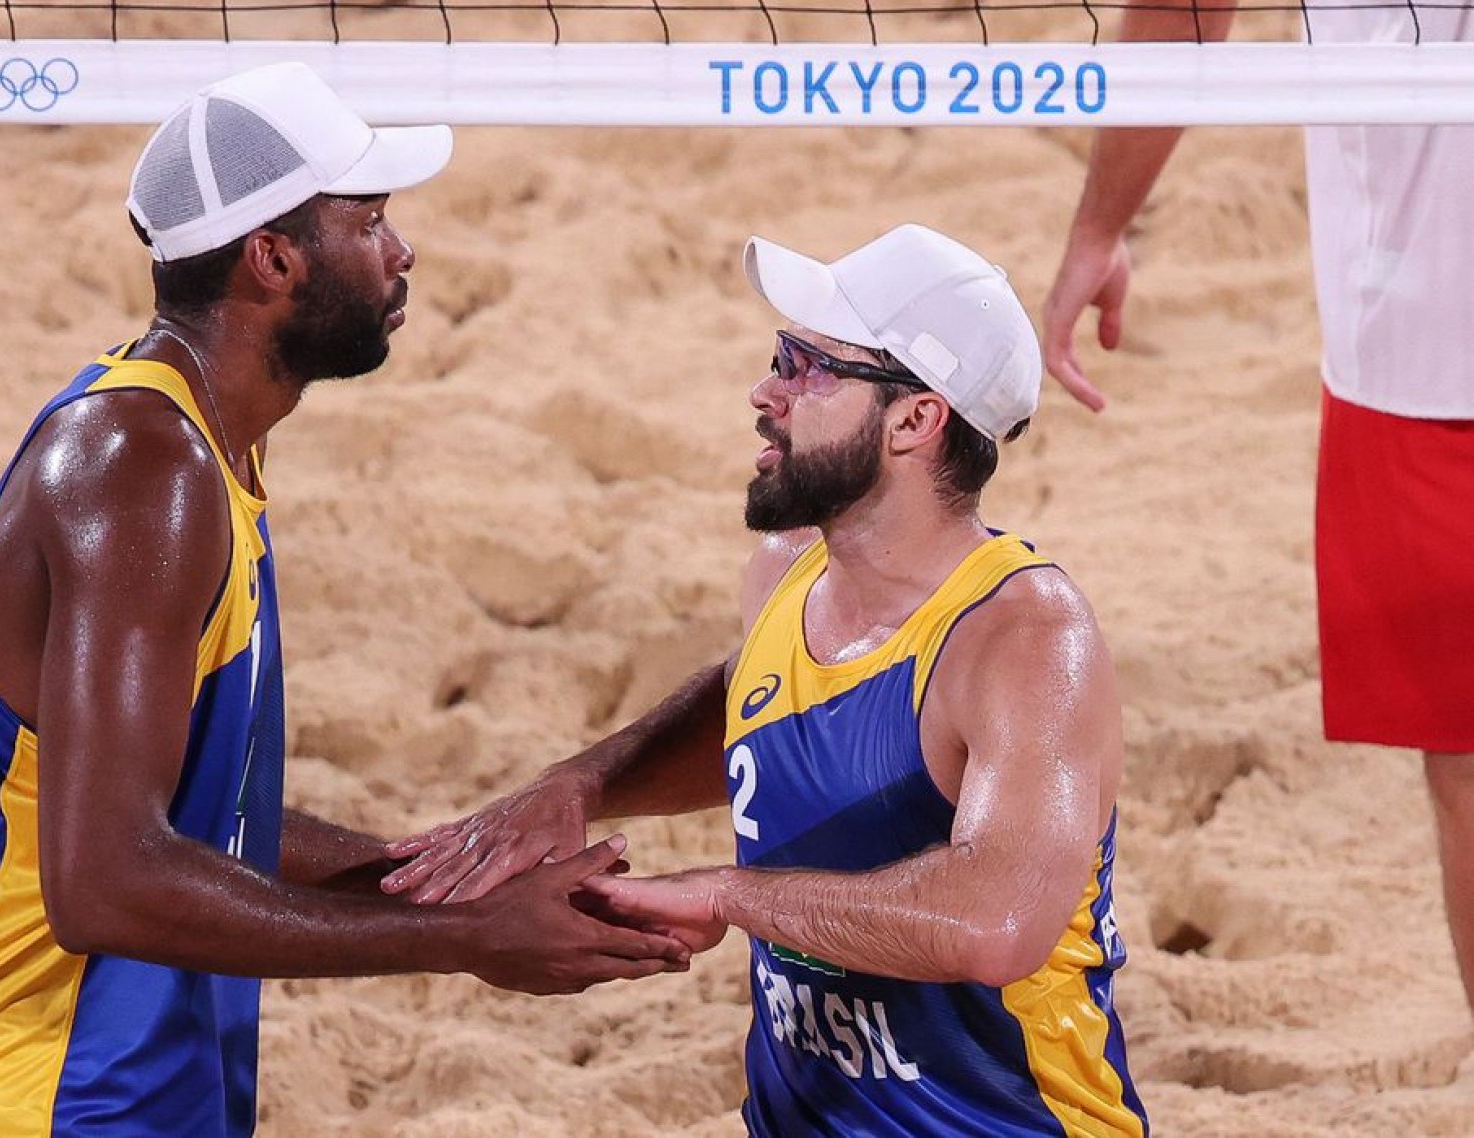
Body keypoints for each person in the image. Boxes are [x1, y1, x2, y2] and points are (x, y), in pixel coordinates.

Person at [0, 62, 688, 1136]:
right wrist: (456, 940)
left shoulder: (193, 440)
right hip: (2, 1087)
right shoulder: (139, 473)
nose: (402, 251)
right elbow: (104, 882)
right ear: (275, 257)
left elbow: (191, 806)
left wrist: (438, 876)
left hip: (93, 1068)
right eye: (368, 220)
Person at [388, 224, 1149, 1135]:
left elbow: (997, 921)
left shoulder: (1025, 639)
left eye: (807, 367)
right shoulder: (786, 576)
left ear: (915, 418)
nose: (765, 392)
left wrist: (727, 893)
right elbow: (769, 706)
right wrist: (581, 787)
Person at [1039, 0, 1474, 1016]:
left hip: (1418, 341)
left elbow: (1184, 11)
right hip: (1418, 352)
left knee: (1466, 766)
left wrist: (1099, 225)